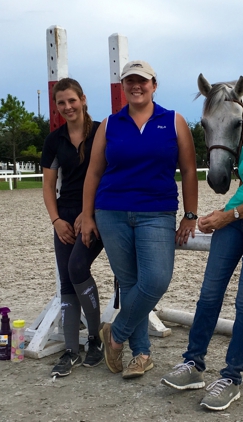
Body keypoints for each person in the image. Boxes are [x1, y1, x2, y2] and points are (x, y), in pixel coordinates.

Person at [160, 81, 243, 411]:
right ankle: (193, 363)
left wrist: (226, 215)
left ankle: (232, 377)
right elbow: (242, 184)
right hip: (235, 219)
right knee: (209, 291)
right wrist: (223, 214)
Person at [81, 60, 198, 379]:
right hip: (111, 212)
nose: (136, 85)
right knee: (131, 283)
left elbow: (189, 170)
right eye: (129, 81)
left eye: (142, 80)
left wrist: (190, 214)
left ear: (154, 85)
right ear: (123, 87)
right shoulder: (109, 124)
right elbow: (93, 171)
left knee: (156, 279)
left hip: (157, 212)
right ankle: (141, 353)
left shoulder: (174, 121)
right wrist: (87, 214)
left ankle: (114, 335)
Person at [41, 78, 104, 377]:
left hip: (96, 213)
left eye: (72, 100)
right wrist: (56, 221)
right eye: (61, 103)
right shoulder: (54, 140)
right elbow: (48, 185)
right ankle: (70, 350)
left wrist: (87, 213)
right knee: (67, 281)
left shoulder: (102, 131)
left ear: (83, 99)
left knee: (78, 268)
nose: (67, 107)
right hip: (65, 215)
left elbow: (110, 174)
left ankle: (95, 339)